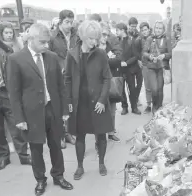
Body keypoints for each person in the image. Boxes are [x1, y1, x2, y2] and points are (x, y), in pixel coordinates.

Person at [7, 23, 73, 195]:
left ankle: (58, 176)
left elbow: (61, 85)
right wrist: (19, 119)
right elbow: (13, 93)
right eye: (43, 42)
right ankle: (40, 180)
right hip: (31, 114)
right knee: (36, 148)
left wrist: (65, 109)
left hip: (53, 109)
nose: (46, 45)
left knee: (56, 146)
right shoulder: (16, 59)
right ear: (31, 39)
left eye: (47, 42)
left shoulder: (51, 57)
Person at [64, 20, 113, 179]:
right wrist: (69, 102)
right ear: (83, 36)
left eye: (96, 38)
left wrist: (102, 99)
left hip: (98, 101)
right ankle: (79, 166)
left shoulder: (101, 54)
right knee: (80, 136)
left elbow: (107, 78)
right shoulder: (72, 54)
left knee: (101, 134)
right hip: (80, 103)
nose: (94, 42)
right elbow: (68, 79)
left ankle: (102, 163)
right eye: (91, 38)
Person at [0, 18, 31, 170]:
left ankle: (24, 155)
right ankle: (4, 157)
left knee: (16, 125)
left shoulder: (3, 48)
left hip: (7, 93)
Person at [49, 9, 78, 148]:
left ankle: (68, 132)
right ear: (60, 21)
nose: (69, 25)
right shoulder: (52, 37)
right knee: (58, 106)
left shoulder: (75, 35)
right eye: (67, 22)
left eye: (71, 22)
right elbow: (47, 56)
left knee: (70, 104)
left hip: (72, 75)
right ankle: (60, 134)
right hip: (57, 75)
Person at [143, 21, 172, 114]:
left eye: (160, 28)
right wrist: (150, 57)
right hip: (151, 67)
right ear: (154, 29)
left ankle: (159, 107)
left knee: (160, 89)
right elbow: (144, 52)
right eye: (157, 28)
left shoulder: (167, 39)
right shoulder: (150, 39)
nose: (158, 30)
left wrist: (164, 55)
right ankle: (154, 106)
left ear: (163, 30)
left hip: (161, 68)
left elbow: (171, 53)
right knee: (154, 89)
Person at [99, 21, 121, 142]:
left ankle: (111, 132)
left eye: (107, 35)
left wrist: (106, 60)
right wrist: (108, 59)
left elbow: (117, 60)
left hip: (110, 80)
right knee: (100, 111)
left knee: (112, 110)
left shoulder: (108, 46)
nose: (105, 37)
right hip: (98, 83)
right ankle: (100, 138)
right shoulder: (94, 46)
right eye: (103, 34)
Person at [116, 22, 141, 115]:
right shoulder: (116, 41)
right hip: (119, 70)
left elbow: (136, 56)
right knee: (121, 90)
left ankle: (134, 107)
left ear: (123, 30)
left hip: (130, 69)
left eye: (117, 30)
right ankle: (124, 107)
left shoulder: (131, 41)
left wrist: (126, 63)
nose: (116, 32)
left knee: (132, 89)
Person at [139, 22, 152, 113]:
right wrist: (138, 60)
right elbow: (136, 52)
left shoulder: (153, 38)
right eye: (142, 30)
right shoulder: (139, 40)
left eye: (146, 29)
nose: (144, 32)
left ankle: (156, 104)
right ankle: (148, 105)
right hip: (145, 66)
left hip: (154, 66)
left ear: (149, 29)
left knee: (155, 86)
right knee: (147, 87)